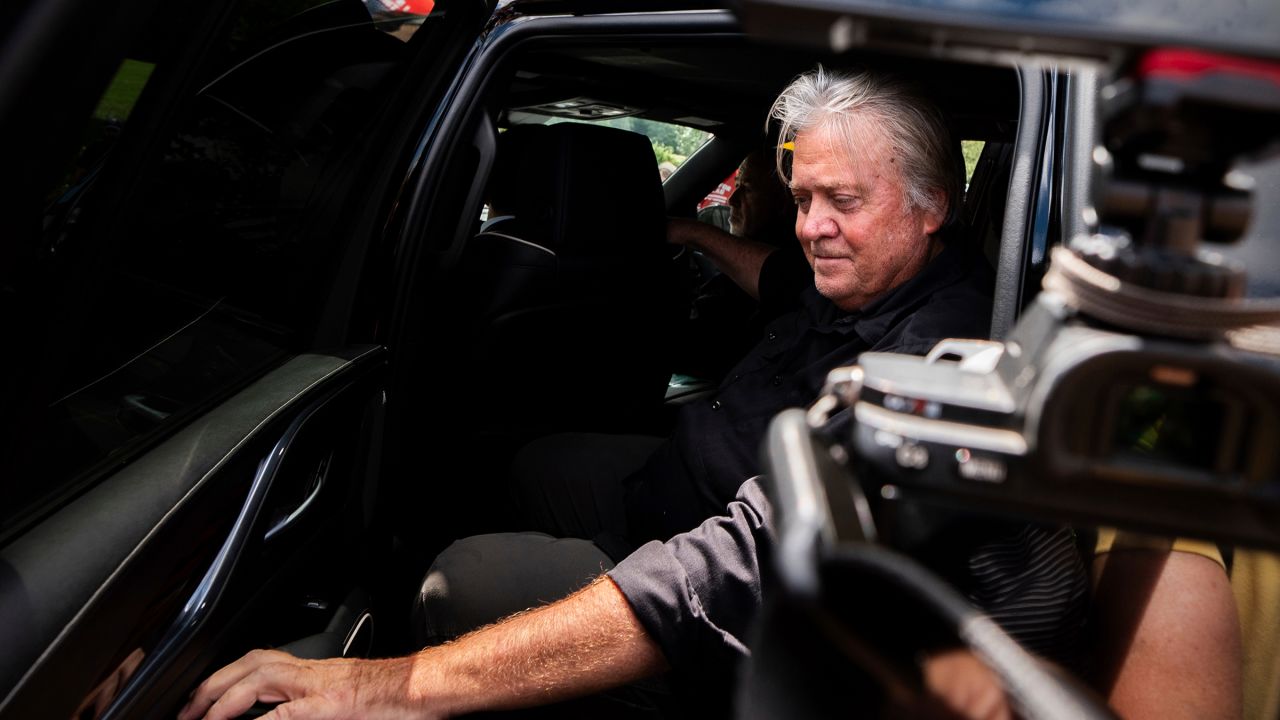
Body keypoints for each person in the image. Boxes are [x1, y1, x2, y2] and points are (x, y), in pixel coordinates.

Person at [180, 67, 1089, 720]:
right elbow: (781, 278)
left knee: (458, 578)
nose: (813, 228)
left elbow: (726, 570)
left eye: (841, 201)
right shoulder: (871, 271)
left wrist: (393, 688)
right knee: (536, 459)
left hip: (718, 584)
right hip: (673, 477)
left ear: (932, 205)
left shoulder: (947, 356)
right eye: (801, 197)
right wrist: (692, 234)